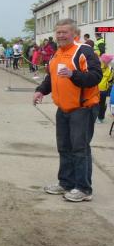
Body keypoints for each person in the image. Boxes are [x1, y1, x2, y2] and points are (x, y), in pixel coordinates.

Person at [34, 18, 101, 202]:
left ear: (74, 34)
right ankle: (66, 183)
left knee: (80, 148)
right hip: (63, 108)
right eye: (58, 32)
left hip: (83, 108)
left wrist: (73, 74)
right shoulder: (57, 54)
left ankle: (84, 189)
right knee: (64, 147)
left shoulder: (83, 51)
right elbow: (51, 78)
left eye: (65, 32)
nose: (61, 35)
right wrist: (40, 91)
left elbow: (96, 76)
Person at [96, 54, 114, 124]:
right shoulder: (98, 66)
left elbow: (110, 80)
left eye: (109, 62)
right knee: (95, 104)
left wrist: (107, 85)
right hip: (95, 89)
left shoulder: (110, 69)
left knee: (102, 104)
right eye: (107, 62)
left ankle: (100, 118)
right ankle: (96, 117)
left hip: (103, 90)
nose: (108, 63)